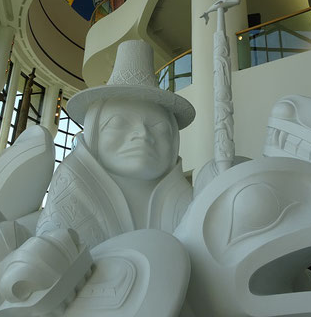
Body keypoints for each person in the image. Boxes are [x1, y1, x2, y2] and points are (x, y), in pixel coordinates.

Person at [36, 39, 195, 248]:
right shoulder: (69, 194)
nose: (143, 134)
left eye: (159, 127)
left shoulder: (193, 207)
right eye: (119, 122)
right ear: (93, 134)